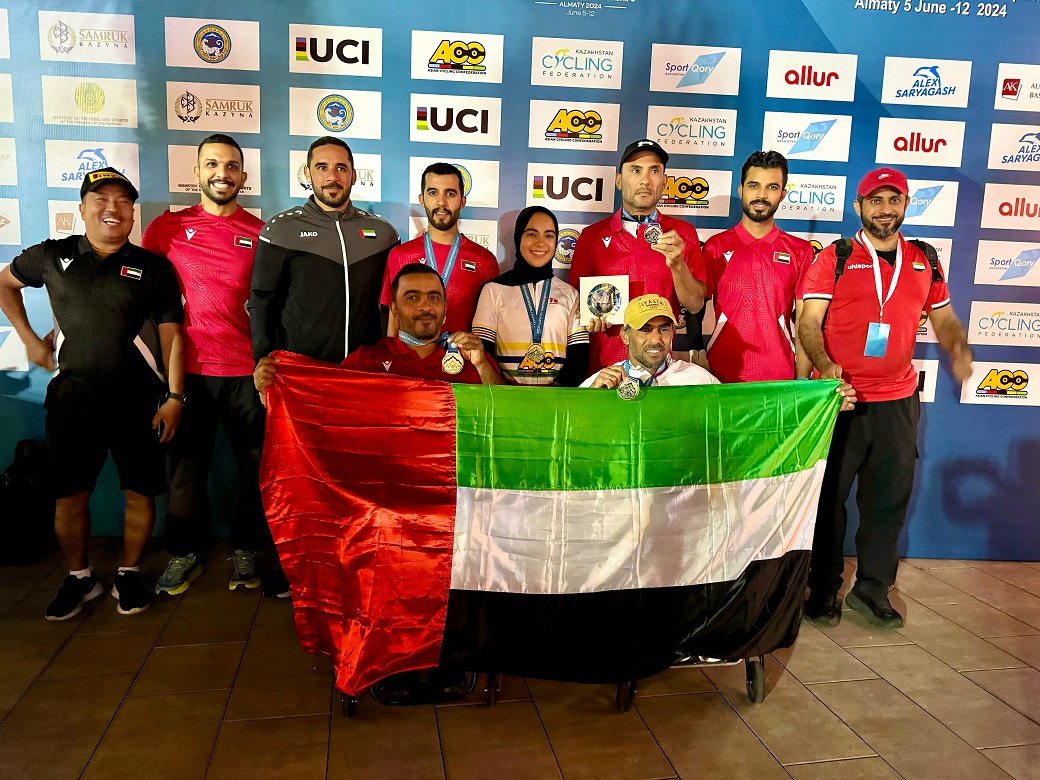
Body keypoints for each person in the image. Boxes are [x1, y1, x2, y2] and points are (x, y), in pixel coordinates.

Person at [0, 168, 185, 620]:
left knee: (140, 494)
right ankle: (79, 577)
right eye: (101, 199)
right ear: (82, 209)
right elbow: (4, 284)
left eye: (123, 201)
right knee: (69, 497)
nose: (112, 208)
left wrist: (174, 397)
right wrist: (28, 339)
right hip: (73, 403)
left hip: (139, 403)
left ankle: (128, 572)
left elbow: (172, 336)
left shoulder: (154, 268)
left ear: (132, 214)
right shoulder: (51, 255)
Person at [799, 167, 973, 630]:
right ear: (858, 206)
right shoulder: (835, 257)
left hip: (897, 400)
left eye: (893, 200)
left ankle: (872, 589)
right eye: (875, 200)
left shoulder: (925, 259)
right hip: (840, 399)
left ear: (906, 204)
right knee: (828, 500)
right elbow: (808, 322)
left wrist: (958, 349)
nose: (885, 209)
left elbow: (944, 318)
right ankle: (822, 589)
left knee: (887, 501)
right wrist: (825, 365)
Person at [141, 133, 269, 596]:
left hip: (245, 374)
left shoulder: (261, 234)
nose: (222, 173)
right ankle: (184, 552)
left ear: (243, 177)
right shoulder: (165, 228)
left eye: (231, 166)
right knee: (185, 471)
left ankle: (247, 547)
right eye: (212, 164)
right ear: (196, 172)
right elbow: (139, 296)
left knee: (254, 471)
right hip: (187, 374)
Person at [249, 136, 400, 365]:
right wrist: (262, 359)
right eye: (322, 167)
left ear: (354, 175)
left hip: (366, 372)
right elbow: (262, 301)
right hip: (303, 371)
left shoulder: (384, 234)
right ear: (308, 174)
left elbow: (393, 307)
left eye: (341, 168)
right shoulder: (281, 229)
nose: (332, 177)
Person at [255, 263, 504, 393]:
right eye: (412, 297)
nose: (425, 306)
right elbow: (318, 403)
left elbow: (508, 412)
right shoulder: (367, 361)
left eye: (434, 297)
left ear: (445, 306)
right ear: (394, 308)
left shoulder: (471, 357)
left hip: (453, 474)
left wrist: (482, 365)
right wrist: (274, 387)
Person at [568, 138, 706, 373]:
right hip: (603, 371)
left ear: (664, 181)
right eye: (635, 170)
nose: (645, 180)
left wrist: (677, 264)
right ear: (619, 180)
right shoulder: (591, 237)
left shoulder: (683, 234)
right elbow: (576, 308)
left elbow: (694, 305)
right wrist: (588, 317)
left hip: (659, 371)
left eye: (654, 171)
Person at [701, 150, 815, 383]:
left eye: (772, 187)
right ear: (741, 190)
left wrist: (802, 380)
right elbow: (694, 306)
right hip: (721, 376)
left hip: (779, 378)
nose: (761, 195)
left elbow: (805, 323)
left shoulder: (800, 251)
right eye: (754, 186)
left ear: (782, 194)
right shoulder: (715, 247)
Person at [472, 206, 589, 386]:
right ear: (518, 237)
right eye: (532, 234)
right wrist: (507, 392)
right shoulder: (493, 290)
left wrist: (556, 393)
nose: (541, 243)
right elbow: (484, 353)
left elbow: (579, 356)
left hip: (557, 398)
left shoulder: (570, 294)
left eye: (549, 236)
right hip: (506, 396)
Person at [380, 162, 498, 335]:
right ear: (422, 200)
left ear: (462, 201)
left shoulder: (485, 261)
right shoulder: (400, 255)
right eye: (433, 192)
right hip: (411, 353)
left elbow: (489, 330)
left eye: (450, 194)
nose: (441, 202)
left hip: (460, 353)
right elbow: (393, 320)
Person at [581, 294, 718, 389]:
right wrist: (592, 398)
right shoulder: (600, 384)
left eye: (664, 329)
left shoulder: (699, 379)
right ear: (625, 336)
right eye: (645, 330)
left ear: (672, 333)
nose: (655, 339)